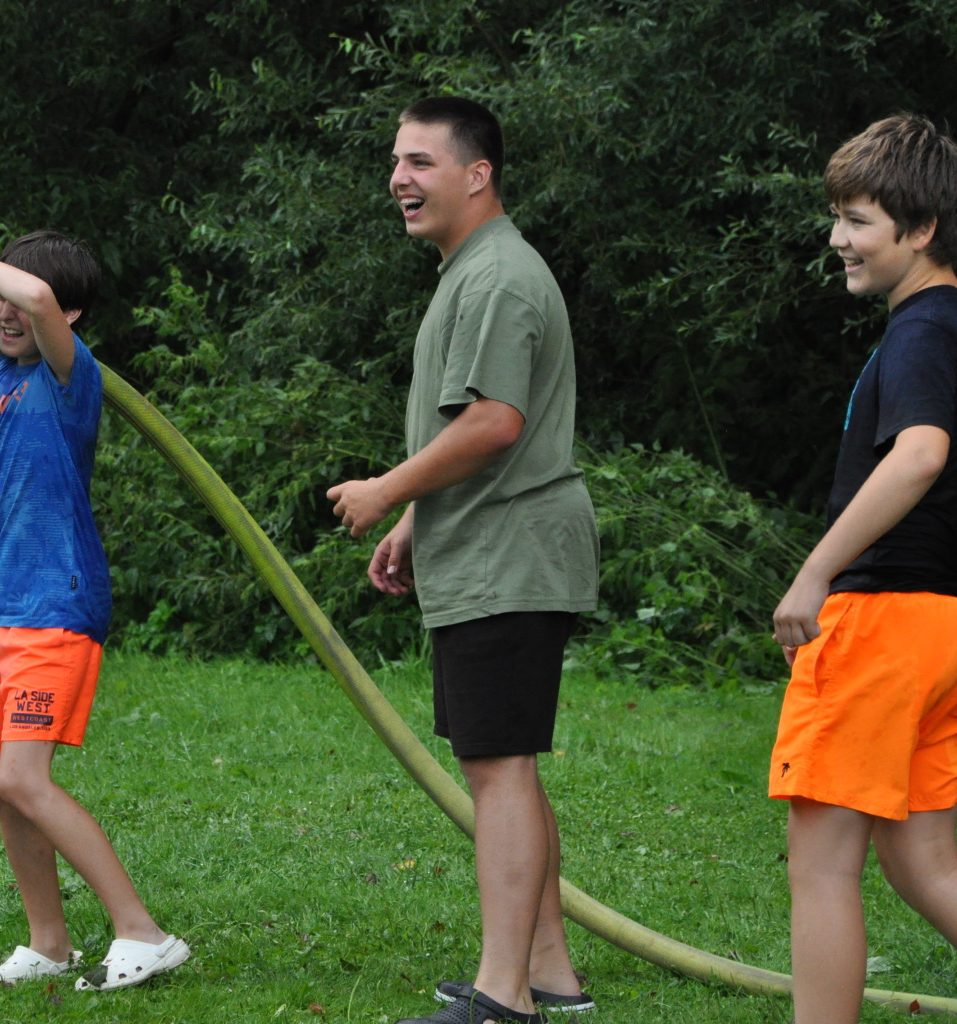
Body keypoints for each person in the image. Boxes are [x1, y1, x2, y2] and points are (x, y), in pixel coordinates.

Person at [769, 114, 957, 1024]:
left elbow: (920, 454)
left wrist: (816, 571)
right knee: (925, 863)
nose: (837, 239)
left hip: (888, 619)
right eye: (838, 217)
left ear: (921, 228)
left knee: (821, 864)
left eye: (857, 221)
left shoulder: (922, 330)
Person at [328, 97, 599, 1024]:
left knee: (499, 769)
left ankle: (503, 995)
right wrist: (419, 519)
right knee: (505, 762)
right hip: (488, 545)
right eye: (395, 161)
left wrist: (387, 491)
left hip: (507, 553)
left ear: (478, 174)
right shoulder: (474, 271)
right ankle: (548, 974)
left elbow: (494, 423)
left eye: (420, 162)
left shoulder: (496, 280)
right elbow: (481, 430)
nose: (398, 178)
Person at [0, 228, 189, 993]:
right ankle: (49, 943)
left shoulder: (69, 373)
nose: (5, 311)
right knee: (1, 783)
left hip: (58, 602)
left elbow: (37, 297)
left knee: (25, 780)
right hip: (6, 610)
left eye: (14, 299)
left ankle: (144, 933)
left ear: (68, 315)